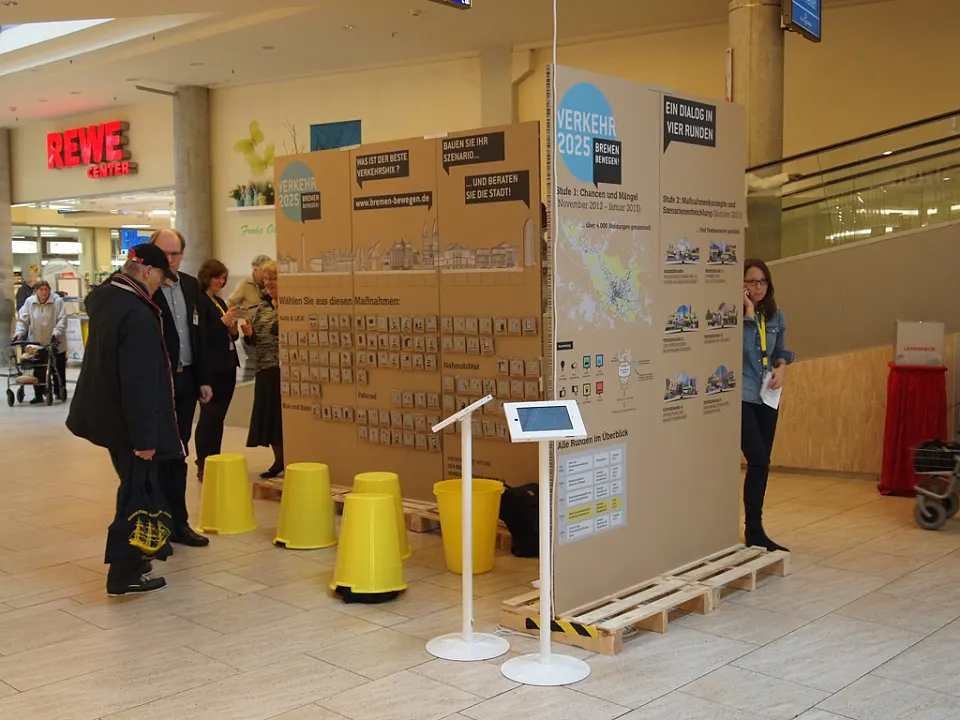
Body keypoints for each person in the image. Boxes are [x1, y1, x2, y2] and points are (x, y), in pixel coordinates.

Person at [66, 244, 181, 595]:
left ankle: (134, 561)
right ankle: (124, 571)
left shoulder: (105, 299)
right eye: (161, 278)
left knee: (134, 487)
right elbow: (139, 382)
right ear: (146, 272)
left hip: (105, 416)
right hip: (128, 424)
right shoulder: (138, 315)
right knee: (135, 492)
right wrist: (145, 439)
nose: (161, 286)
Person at [149, 229, 212, 548]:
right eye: (165, 254)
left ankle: (179, 522)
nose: (171, 260)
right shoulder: (145, 286)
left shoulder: (189, 284)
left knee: (179, 451)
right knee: (157, 453)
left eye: (176, 254)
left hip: (187, 378)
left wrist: (203, 378)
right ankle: (157, 524)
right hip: (158, 382)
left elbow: (197, 334)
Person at [742, 259, 795, 552]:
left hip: (767, 396)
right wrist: (748, 314)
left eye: (762, 282)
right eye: (751, 281)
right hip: (743, 396)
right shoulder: (738, 316)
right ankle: (753, 528)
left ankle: (755, 529)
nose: (757, 287)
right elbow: (749, 355)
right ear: (741, 285)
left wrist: (783, 367)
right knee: (758, 459)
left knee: (761, 464)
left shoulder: (776, 316)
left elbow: (779, 352)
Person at [194, 259, 240, 482]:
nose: (220, 282)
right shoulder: (200, 302)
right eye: (216, 277)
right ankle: (204, 461)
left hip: (228, 364)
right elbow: (202, 335)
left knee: (218, 417)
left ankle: (215, 457)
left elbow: (230, 334)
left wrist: (233, 327)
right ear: (207, 277)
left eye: (223, 278)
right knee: (210, 415)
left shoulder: (220, 300)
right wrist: (222, 322)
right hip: (211, 366)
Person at [242, 260, 283, 478]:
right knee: (270, 418)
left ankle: (288, 459)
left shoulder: (294, 305)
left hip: (285, 371)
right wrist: (249, 334)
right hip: (265, 369)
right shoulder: (262, 308)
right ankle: (279, 460)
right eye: (266, 279)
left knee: (282, 418)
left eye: (273, 278)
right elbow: (254, 341)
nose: (269, 283)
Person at [14, 280, 67, 403]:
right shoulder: (29, 302)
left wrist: (57, 333)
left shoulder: (57, 302)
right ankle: (38, 395)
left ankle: (59, 391)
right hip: (36, 343)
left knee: (57, 367)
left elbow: (62, 320)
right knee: (39, 369)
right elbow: (23, 321)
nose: (44, 292)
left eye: (46, 290)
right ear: (35, 291)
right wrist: (18, 333)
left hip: (55, 341)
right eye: (41, 290)